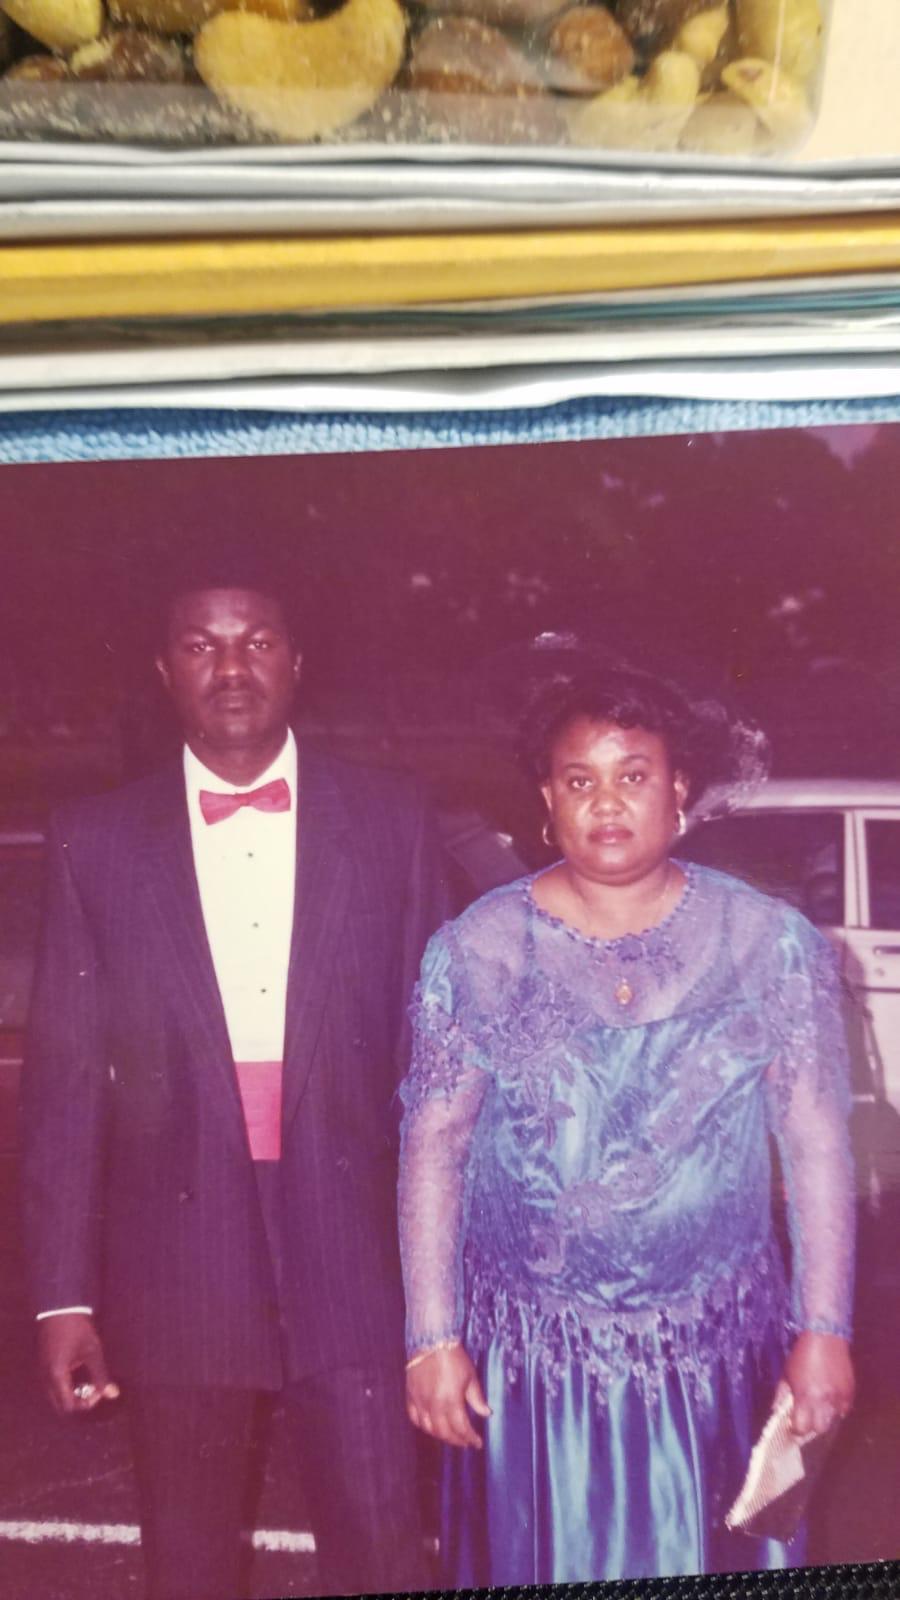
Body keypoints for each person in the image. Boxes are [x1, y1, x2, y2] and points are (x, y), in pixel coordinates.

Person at [21, 553, 449, 1600]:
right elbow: (67, 1081)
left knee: (384, 1550)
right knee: (191, 1561)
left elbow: (442, 1064)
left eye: (255, 641)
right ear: (164, 670)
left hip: (356, 1248)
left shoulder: (394, 819)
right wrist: (61, 1297)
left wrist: (450, 1282)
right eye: (201, 645)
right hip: (177, 1256)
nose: (230, 667)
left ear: (296, 662)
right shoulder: (96, 839)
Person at [398, 659, 856, 1587]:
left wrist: (824, 1327)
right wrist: (431, 1338)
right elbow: (433, 1147)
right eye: (580, 779)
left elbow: (815, 1140)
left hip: (717, 1358)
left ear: (679, 789)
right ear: (545, 801)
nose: (607, 802)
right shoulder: (477, 951)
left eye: (633, 774)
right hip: (533, 1367)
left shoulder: (768, 944)